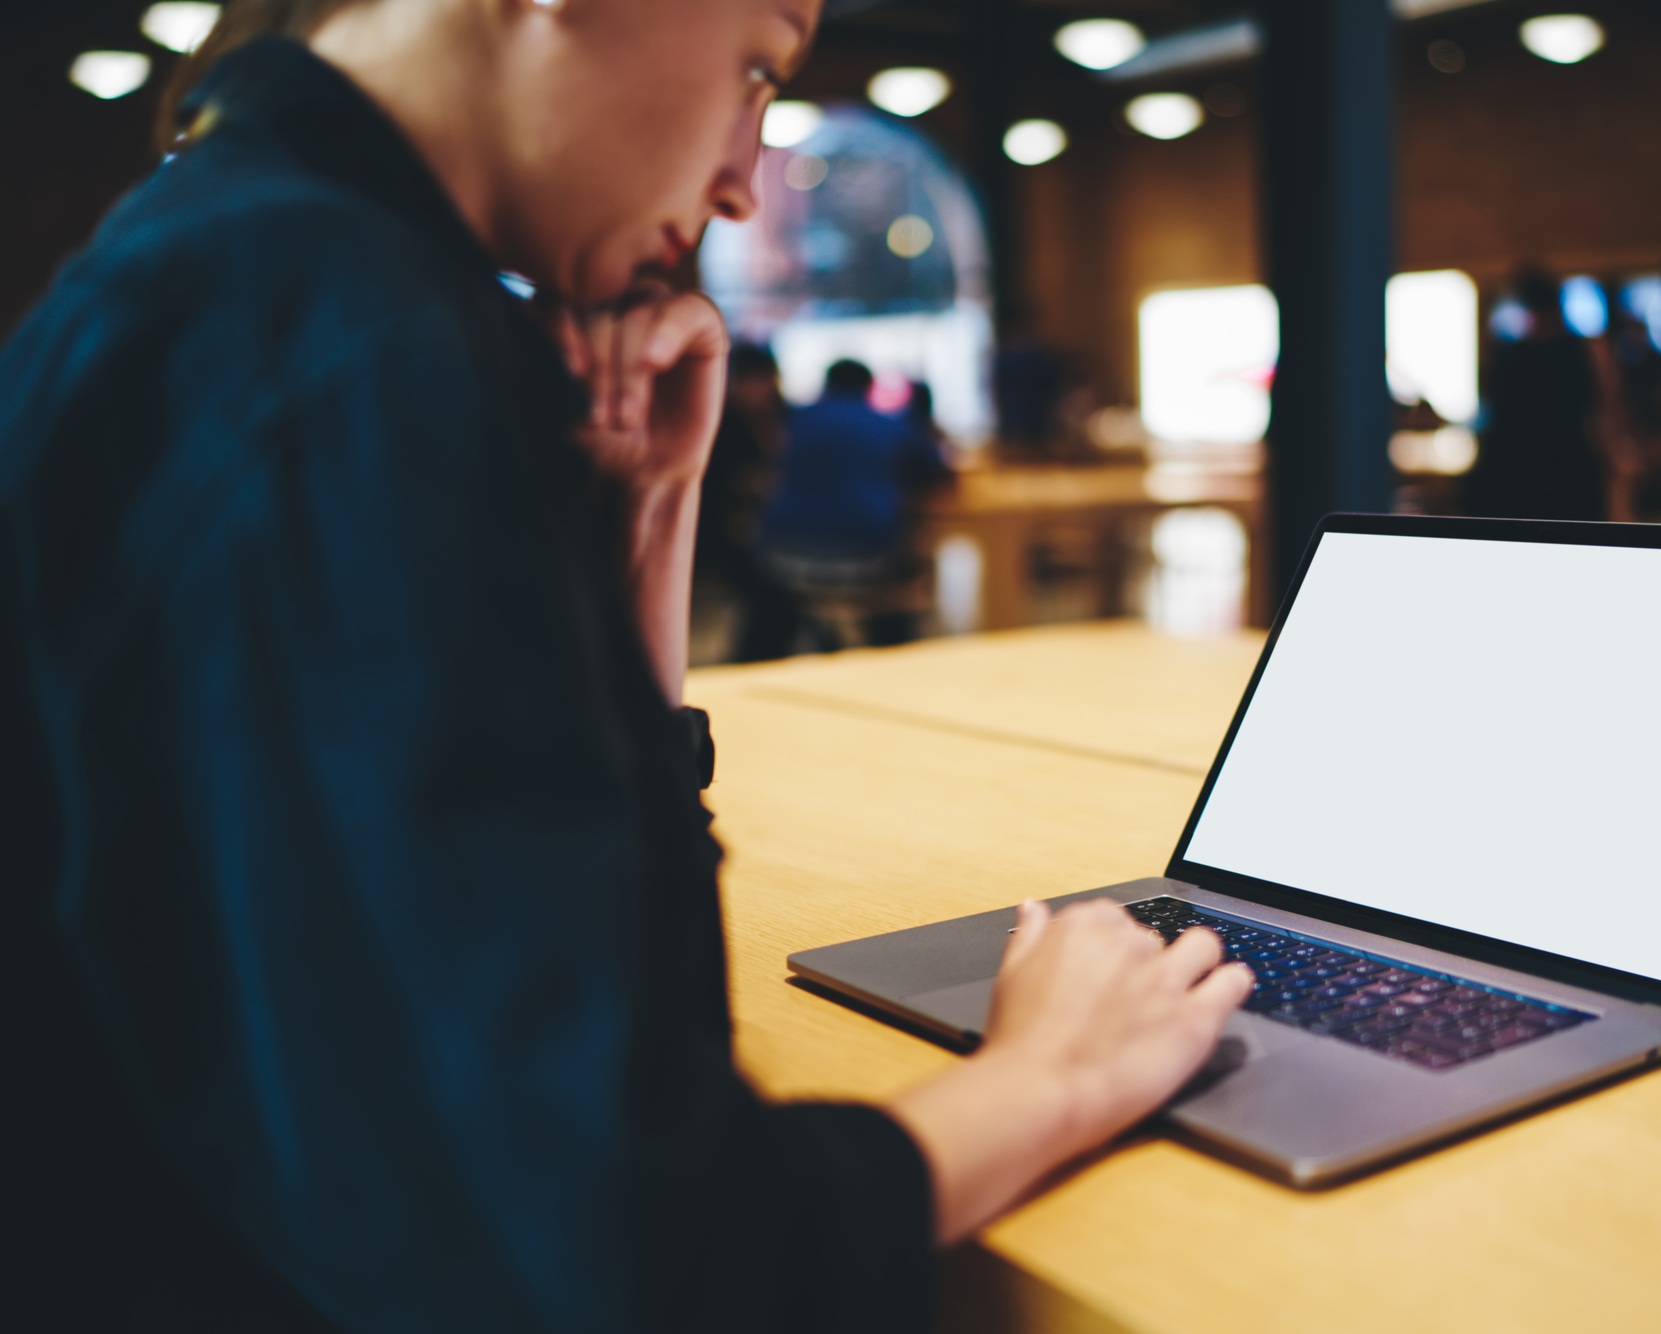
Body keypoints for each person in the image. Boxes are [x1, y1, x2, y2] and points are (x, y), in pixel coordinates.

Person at [0, 2, 1250, 1330]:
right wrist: (1047, 1075)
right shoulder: (361, 356)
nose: (740, 177)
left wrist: (644, 519)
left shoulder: (220, 268)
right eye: (758, 66)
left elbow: (576, 974)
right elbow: (623, 1257)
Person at [758, 359, 953, 647]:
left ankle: (824, 643)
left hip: (783, 558)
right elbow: (938, 473)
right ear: (869, 388)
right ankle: (893, 660)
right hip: (865, 558)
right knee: (911, 573)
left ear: (825, 385)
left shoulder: (794, 421)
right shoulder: (888, 424)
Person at [1463, 265, 1605, 522]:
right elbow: (1604, 408)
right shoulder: (1582, 351)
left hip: (1516, 475)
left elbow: (1495, 416)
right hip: (1569, 473)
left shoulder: (1510, 356)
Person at [698, 342, 800, 661]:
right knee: (775, 593)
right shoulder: (719, 424)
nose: (760, 389)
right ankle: (753, 662)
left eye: (765, 379)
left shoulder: (789, 417)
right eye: (752, 381)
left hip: (776, 527)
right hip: (724, 533)